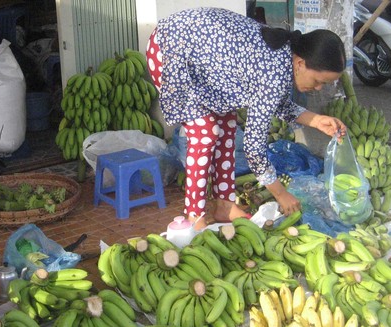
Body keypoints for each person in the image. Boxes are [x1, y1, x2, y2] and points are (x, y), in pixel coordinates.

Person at [146, 7, 347, 229]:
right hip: (170, 47)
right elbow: (253, 148)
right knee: (205, 133)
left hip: (203, 58)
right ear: (300, 63)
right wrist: (280, 194)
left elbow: (277, 103)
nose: (318, 88)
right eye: (319, 81)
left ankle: (224, 204)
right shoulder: (275, 70)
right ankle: (194, 215)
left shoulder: (285, 57)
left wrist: (316, 120)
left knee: (227, 125)